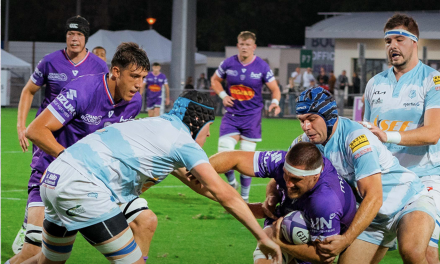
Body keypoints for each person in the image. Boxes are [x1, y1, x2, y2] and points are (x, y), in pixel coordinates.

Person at [32, 90, 282, 264]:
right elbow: (223, 192)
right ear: (197, 121)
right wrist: (262, 238)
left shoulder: (155, 125)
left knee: (50, 261)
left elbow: (201, 185)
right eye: (208, 129)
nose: (207, 137)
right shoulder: (183, 141)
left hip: (54, 177)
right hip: (82, 188)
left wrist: (251, 209)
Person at [6, 42, 149, 264]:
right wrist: (74, 162)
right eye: (134, 77)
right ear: (116, 72)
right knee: (34, 254)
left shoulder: (134, 102)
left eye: (143, 78)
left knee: (145, 221)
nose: (139, 85)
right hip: (50, 174)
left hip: (94, 183)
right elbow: (35, 130)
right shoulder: (83, 90)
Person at [288, 87, 436, 264]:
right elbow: (285, 174)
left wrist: (346, 239)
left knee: (412, 252)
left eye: (312, 119)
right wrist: (273, 194)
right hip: (371, 219)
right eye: (301, 120)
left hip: (407, 202)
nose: (306, 127)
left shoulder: (357, 138)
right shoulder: (303, 144)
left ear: (328, 117)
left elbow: (374, 197)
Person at [12, 15, 108, 260]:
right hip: (47, 137)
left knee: (66, 190)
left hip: (80, 142)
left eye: (78, 34)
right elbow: (28, 91)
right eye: (69, 34)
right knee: (41, 181)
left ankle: (47, 233)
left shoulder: (99, 67)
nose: (73, 38)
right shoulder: (50, 62)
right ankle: (31, 227)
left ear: (85, 38)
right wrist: (21, 125)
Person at [362, 13, 440, 264]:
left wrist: (388, 135)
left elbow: (433, 132)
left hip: (425, 179)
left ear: (415, 41)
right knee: (362, 256)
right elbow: (367, 134)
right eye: (388, 41)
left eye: (399, 39)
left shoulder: (434, 80)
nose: (392, 46)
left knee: (416, 250)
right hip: (387, 180)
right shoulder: (375, 83)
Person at [208, 142, 357, 264]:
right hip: (284, 219)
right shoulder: (281, 161)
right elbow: (235, 158)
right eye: (286, 175)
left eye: (296, 180)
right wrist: (200, 169)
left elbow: (324, 257)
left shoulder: (325, 201)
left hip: (319, 236)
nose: (289, 184)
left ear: (315, 177)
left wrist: (279, 242)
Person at [210, 31, 281, 202]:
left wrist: (275, 103)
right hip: (232, 115)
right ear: (238, 46)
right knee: (224, 151)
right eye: (242, 44)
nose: (244, 47)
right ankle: (232, 182)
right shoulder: (229, 63)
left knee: (246, 159)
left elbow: (275, 89)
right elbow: (215, 80)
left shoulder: (262, 67)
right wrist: (223, 96)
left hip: (252, 117)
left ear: (254, 47)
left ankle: (244, 198)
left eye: (248, 44)